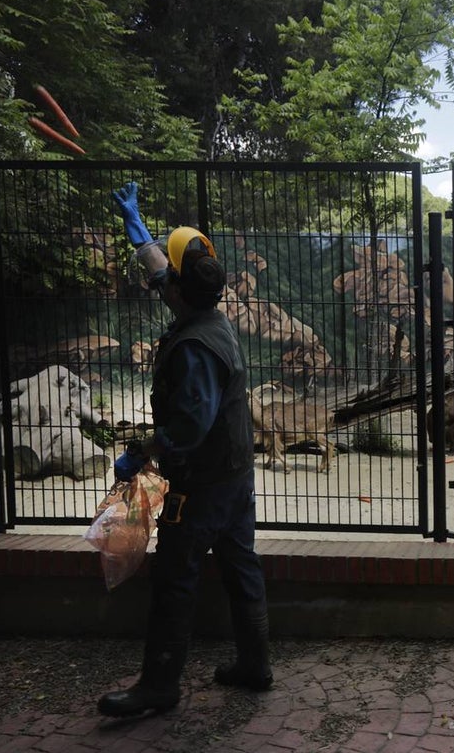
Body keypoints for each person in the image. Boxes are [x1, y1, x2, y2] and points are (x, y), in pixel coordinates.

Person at [97, 182, 272, 718]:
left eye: (166, 276)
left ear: (175, 289)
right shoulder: (209, 314)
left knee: (175, 577)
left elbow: (189, 427)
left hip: (202, 484)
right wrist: (137, 226)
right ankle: (254, 665)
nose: (160, 279)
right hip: (235, 476)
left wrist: (142, 452)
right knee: (242, 566)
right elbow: (161, 265)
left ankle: (159, 686)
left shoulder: (194, 347)